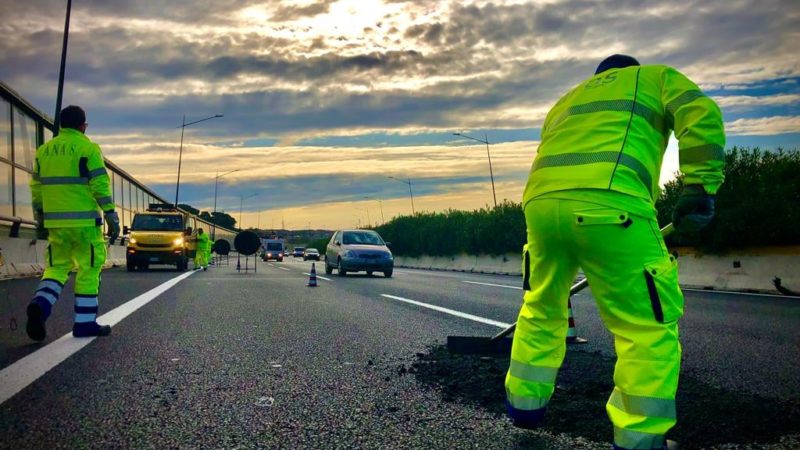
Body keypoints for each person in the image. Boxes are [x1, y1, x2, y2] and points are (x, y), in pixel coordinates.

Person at [506, 55, 725, 450]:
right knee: (645, 327)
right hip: (612, 205)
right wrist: (700, 186)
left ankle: (525, 408)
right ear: (629, 69)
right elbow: (700, 112)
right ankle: (639, 439)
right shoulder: (655, 78)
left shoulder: (567, 99)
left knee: (542, 308)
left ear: (599, 77)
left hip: (540, 208)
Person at [26, 105, 120, 340]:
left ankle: (41, 304)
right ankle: (84, 323)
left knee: (57, 268)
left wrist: (40, 217)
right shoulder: (88, 148)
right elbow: (99, 184)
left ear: (61, 125)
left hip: (55, 224)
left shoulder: (43, 151)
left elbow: (36, 188)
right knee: (88, 269)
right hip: (85, 224)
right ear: (83, 126)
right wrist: (111, 214)